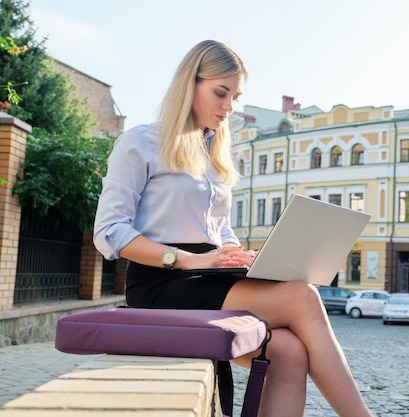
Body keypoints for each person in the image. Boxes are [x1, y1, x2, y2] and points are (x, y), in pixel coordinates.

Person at [92, 40, 373, 417]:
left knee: (290, 351)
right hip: (160, 281)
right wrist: (187, 259)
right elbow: (109, 231)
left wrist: (239, 255)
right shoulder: (140, 142)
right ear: (190, 84)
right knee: (303, 297)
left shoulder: (215, 156)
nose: (229, 107)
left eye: (236, 97)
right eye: (220, 93)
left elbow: (221, 230)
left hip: (210, 275)